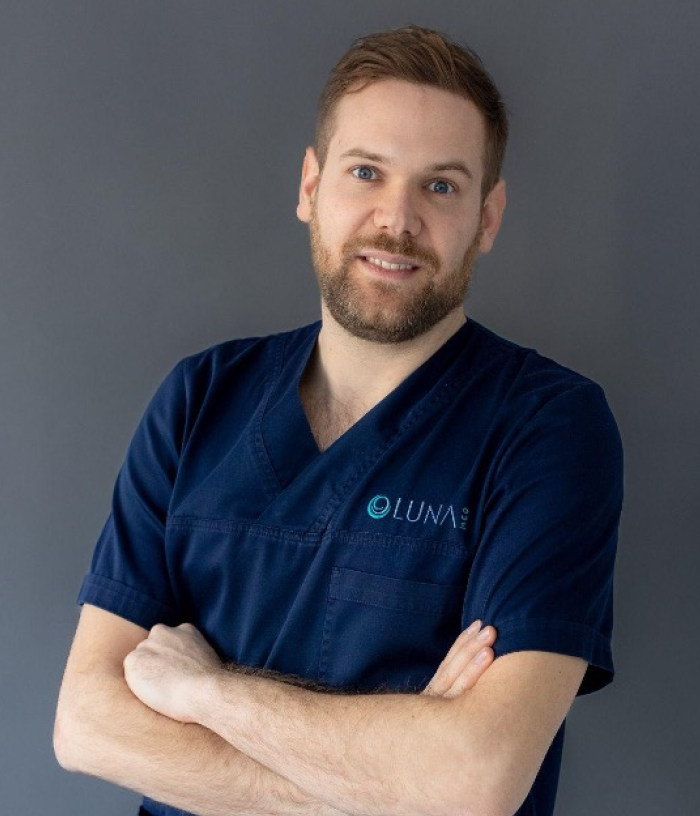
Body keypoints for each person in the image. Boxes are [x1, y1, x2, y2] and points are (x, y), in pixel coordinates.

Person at [54, 24, 623, 816]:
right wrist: (391, 782)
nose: (397, 218)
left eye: (441, 186)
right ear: (311, 187)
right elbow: (86, 725)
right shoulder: (199, 399)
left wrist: (209, 692)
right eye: (366, 172)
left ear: (487, 218)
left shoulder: (548, 428)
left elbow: (476, 779)